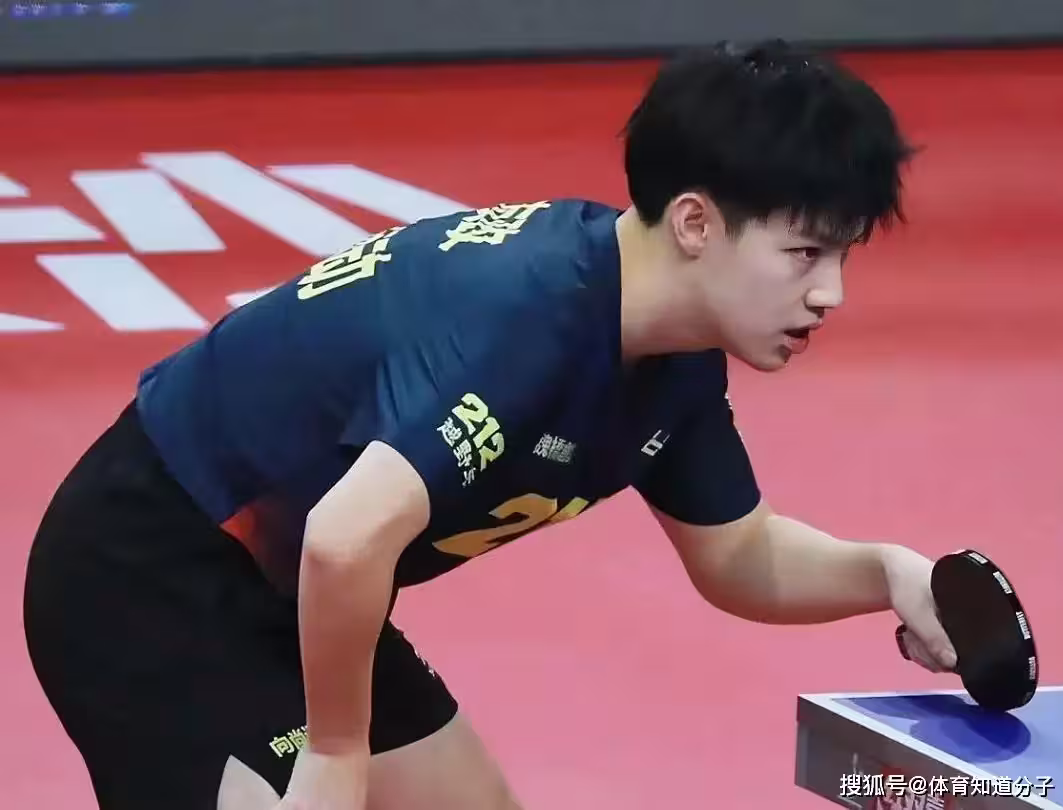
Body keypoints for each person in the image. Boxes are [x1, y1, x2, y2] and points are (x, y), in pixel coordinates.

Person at [23, 39, 956, 810]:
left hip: (303, 600)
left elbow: (740, 555)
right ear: (695, 223)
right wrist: (338, 756)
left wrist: (888, 573)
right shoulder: (525, 324)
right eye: (805, 254)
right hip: (146, 577)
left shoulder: (673, 356)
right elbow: (345, 541)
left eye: (843, 256)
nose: (830, 293)